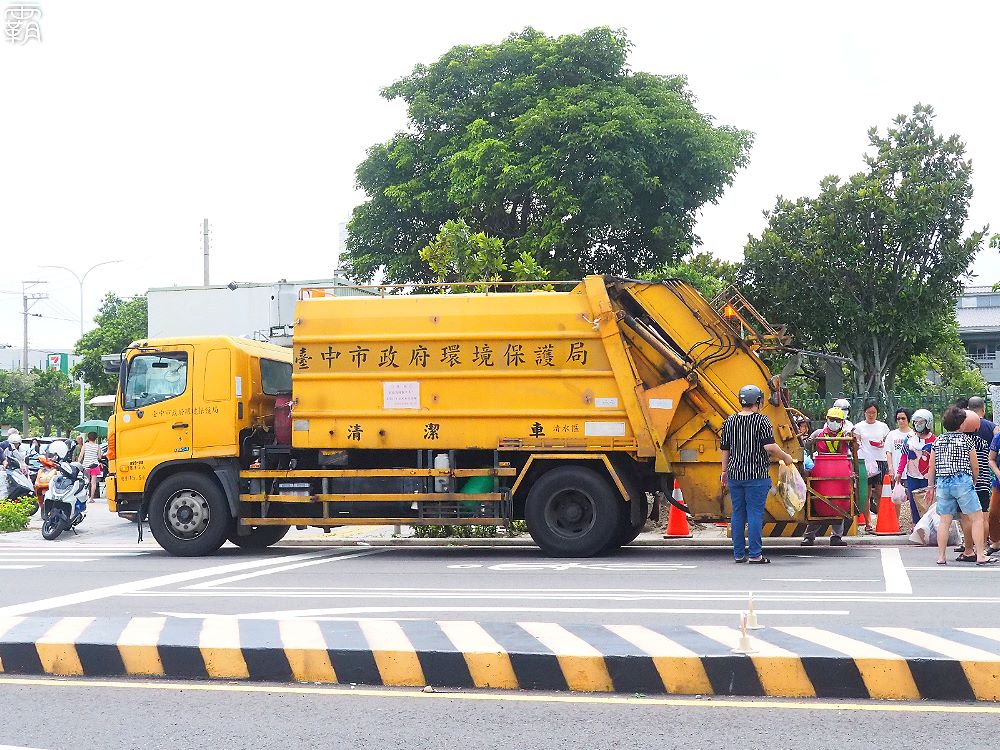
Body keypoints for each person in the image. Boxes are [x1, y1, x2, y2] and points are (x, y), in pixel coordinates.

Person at [721, 384, 794, 565]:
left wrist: (724, 471)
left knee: (737, 513)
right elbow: (769, 446)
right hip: (756, 475)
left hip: (735, 474)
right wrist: (786, 457)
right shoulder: (762, 421)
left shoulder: (730, 421)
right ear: (758, 401)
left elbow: (725, 449)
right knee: (754, 514)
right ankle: (755, 555)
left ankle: (738, 554)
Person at [927, 405, 995, 565]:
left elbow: (932, 466)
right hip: (962, 480)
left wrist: (931, 486)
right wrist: (974, 480)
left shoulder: (938, 440)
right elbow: (975, 465)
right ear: (961, 424)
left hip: (943, 482)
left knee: (945, 520)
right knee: (977, 517)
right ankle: (980, 555)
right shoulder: (966, 440)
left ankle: (941, 556)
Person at [801, 407, 855, 546]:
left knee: (840, 502)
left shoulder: (845, 435)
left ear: (842, 422)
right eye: (832, 420)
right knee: (817, 502)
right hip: (821, 470)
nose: (834, 423)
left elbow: (855, 447)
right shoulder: (818, 434)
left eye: (837, 420)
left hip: (841, 471)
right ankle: (809, 536)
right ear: (827, 420)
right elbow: (804, 445)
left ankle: (836, 536)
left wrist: (854, 439)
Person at [901, 408, 936, 524]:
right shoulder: (909, 438)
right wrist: (899, 472)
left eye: (921, 422)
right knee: (913, 501)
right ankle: (916, 524)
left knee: (928, 501)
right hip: (912, 475)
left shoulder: (934, 440)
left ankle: (929, 524)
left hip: (928, 476)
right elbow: (904, 456)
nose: (918, 425)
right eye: (916, 422)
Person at [886, 407, 914, 488]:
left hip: (911, 472)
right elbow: (888, 452)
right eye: (898, 418)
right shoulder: (892, 434)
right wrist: (890, 468)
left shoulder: (913, 434)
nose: (900, 421)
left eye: (903, 418)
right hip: (897, 472)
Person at [80, 431, 101, 502]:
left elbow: (81, 455)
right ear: (95, 438)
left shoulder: (85, 445)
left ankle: (85, 497)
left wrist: (78, 462)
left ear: (88, 438)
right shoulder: (97, 446)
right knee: (93, 483)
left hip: (86, 466)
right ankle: (91, 498)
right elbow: (99, 457)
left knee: (86, 482)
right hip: (95, 466)